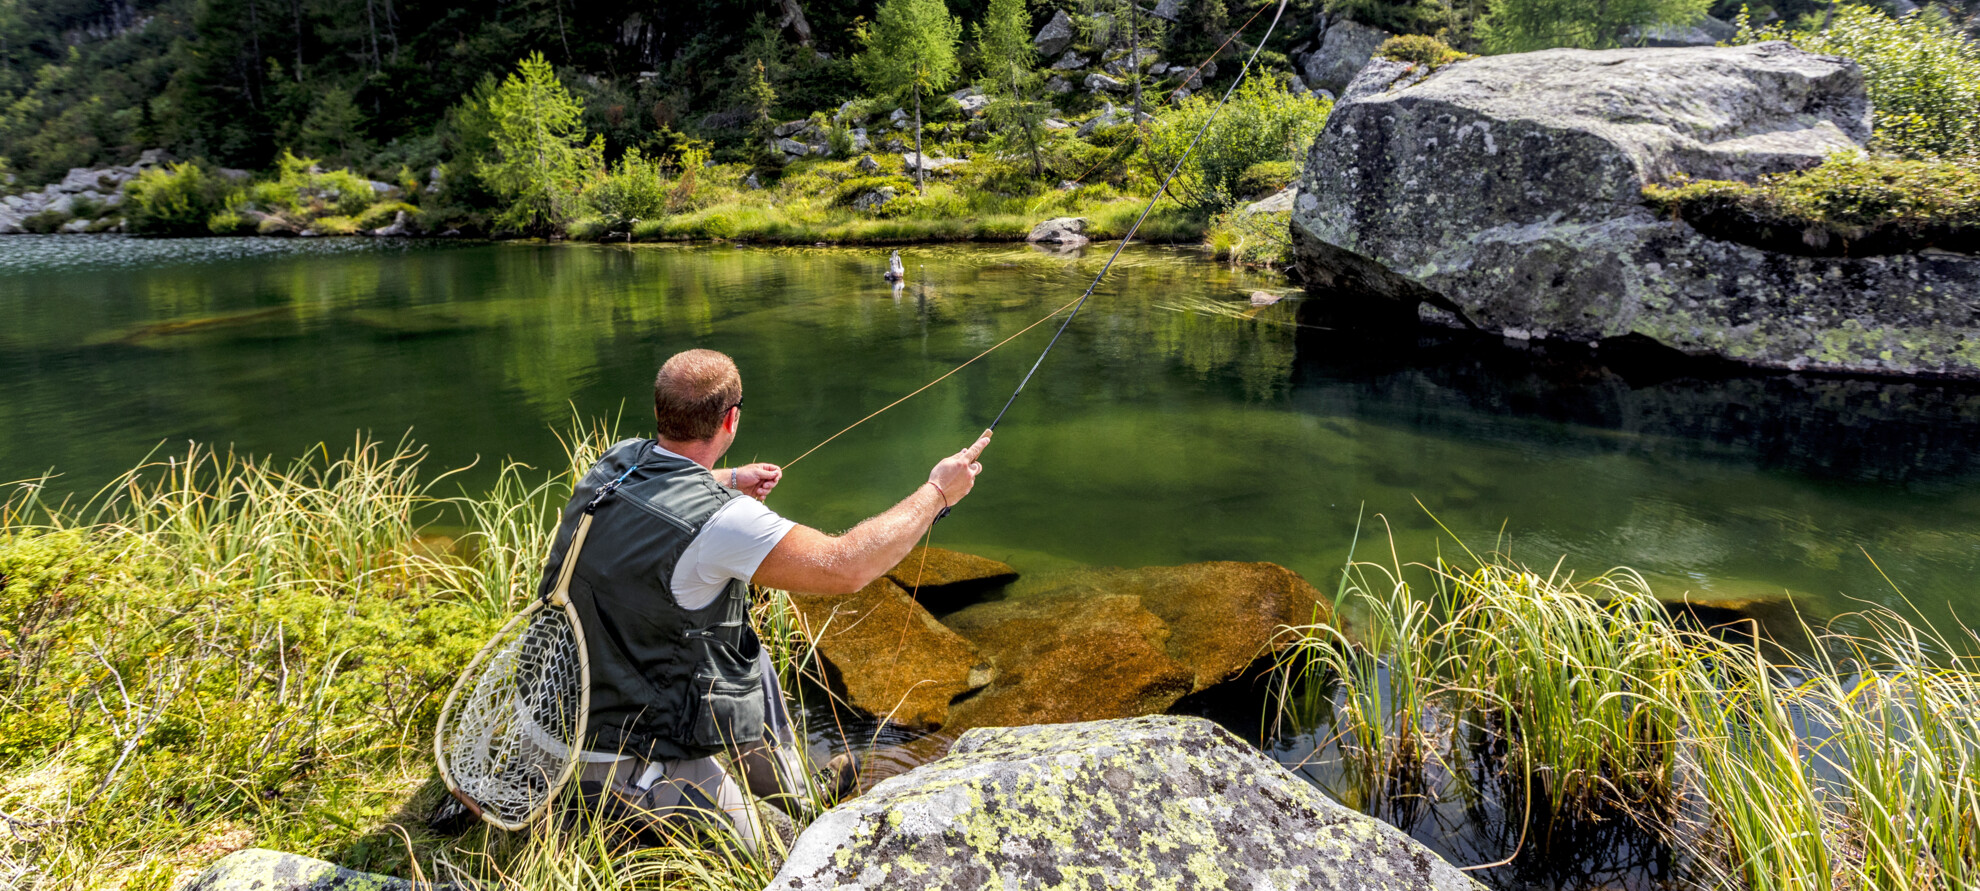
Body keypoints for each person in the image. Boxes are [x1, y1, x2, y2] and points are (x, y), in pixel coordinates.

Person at [543, 348, 990, 852]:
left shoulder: (617, 462)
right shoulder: (726, 522)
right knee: (776, 853)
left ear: (660, 410)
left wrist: (733, 479)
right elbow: (846, 566)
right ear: (731, 419)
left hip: (558, 709)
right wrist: (937, 492)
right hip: (619, 754)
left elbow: (668, 490)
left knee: (746, 660)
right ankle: (765, 820)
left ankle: (796, 797)